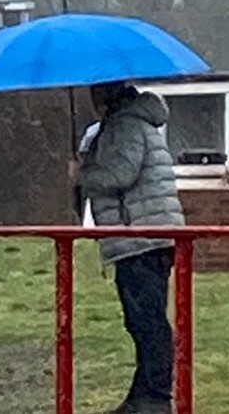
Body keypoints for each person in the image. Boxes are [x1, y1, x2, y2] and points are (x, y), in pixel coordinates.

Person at [73, 82, 184, 414]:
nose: (91, 97)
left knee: (146, 320)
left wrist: (83, 174)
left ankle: (155, 397)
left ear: (104, 94)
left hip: (140, 236)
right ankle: (144, 394)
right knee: (141, 319)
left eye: (94, 91)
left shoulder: (125, 125)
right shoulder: (128, 122)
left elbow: (120, 174)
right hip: (144, 234)